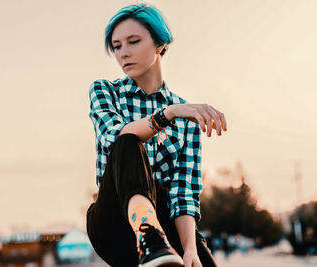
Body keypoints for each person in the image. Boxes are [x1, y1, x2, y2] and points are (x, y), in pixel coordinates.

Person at [86, 3, 226, 267]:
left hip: (166, 218)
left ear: (160, 44)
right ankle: (149, 237)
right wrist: (168, 114)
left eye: (133, 41)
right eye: (116, 46)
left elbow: (183, 192)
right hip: (114, 218)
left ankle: (160, 242)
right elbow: (111, 136)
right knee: (127, 140)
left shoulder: (187, 117)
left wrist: (190, 249)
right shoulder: (104, 91)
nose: (123, 53)